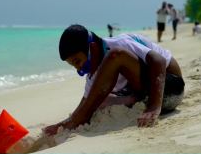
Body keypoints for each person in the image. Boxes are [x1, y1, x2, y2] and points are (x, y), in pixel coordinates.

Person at [44, 24, 184, 135]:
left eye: (78, 61)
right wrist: (64, 124)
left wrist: (154, 106)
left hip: (170, 86)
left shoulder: (119, 44)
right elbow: (86, 105)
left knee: (116, 56)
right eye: (73, 65)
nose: (78, 69)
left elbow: (158, 61)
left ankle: (143, 101)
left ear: (92, 48)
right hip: (144, 95)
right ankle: (132, 99)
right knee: (97, 98)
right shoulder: (93, 75)